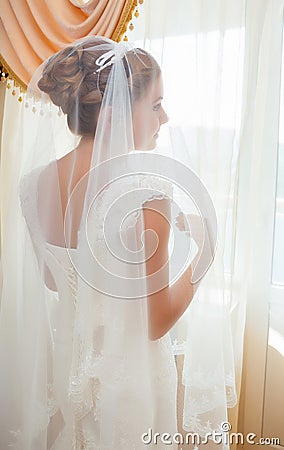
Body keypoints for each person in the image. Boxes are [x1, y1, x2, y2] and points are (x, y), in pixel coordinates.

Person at [0, 36, 216, 449]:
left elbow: (51, 279)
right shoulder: (148, 190)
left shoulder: (34, 185)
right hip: (130, 383)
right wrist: (205, 248)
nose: (165, 118)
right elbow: (157, 322)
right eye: (155, 105)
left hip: (69, 377)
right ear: (115, 114)